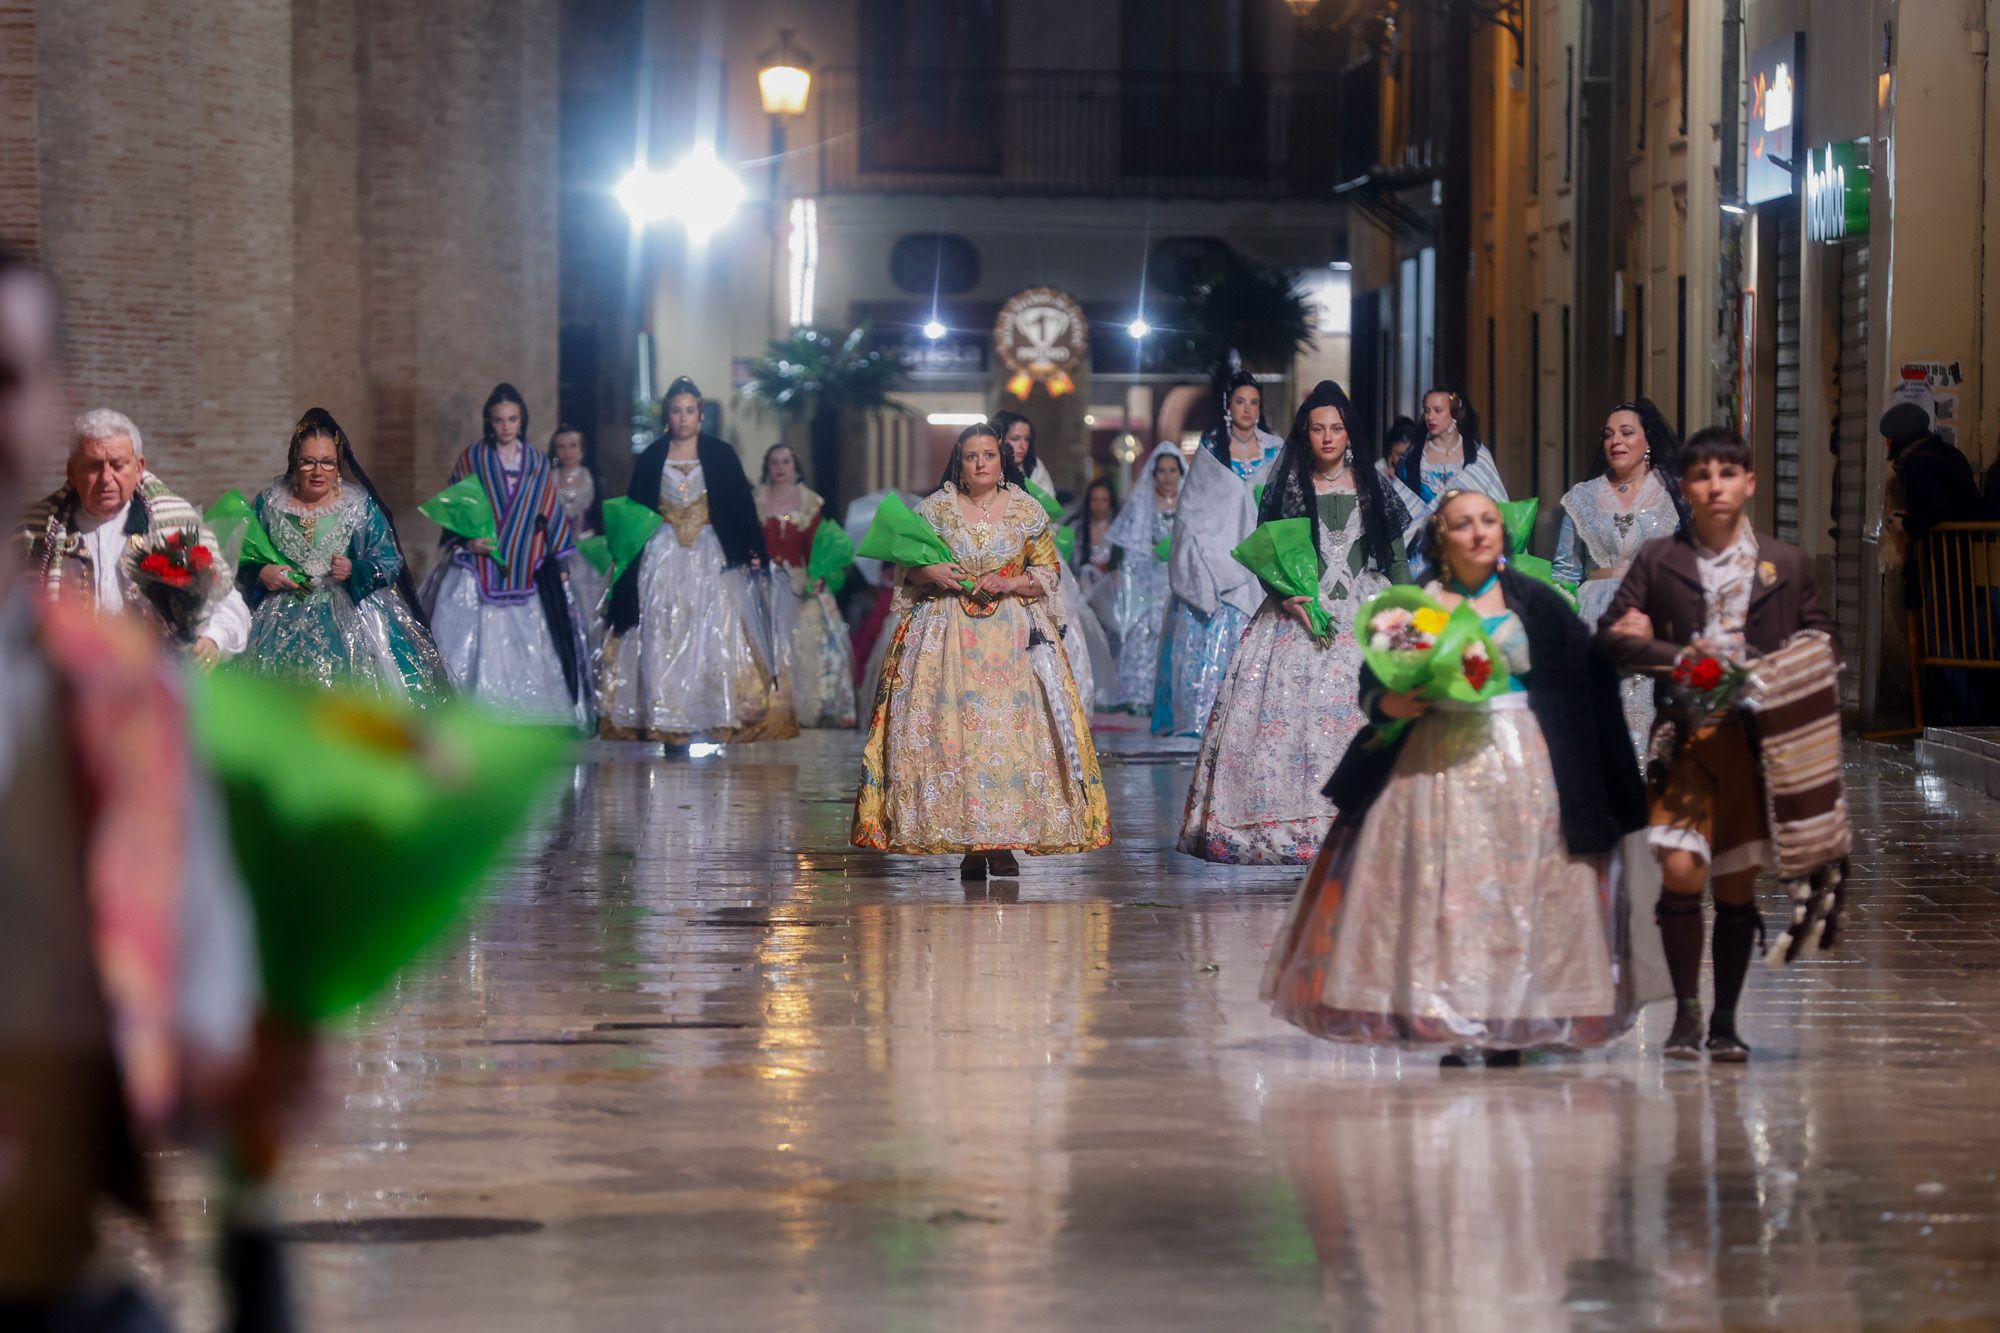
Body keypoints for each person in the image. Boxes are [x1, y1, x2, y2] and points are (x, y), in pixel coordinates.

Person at [0, 246, 289, 1330]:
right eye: (94, 467)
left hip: (49, 1250)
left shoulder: (171, 532)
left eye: (5, 377)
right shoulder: (41, 531)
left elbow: (223, 610)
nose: (106, 480)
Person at [1262, 488, 1648, 1065]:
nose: (1479, 532)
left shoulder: (1537, 602)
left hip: (1521, 759)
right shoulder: (1416, 606)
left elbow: (1584, 681)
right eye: (1464, 523)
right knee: (1446, 888)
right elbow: (1376, 683)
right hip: (1434, 758)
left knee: (1517, 888)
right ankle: (1448, 1015)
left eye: (1489, 521)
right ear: (1443, 536)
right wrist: (1392, 703)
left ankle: (1510, 1017)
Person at [1598, 427, 1838, 1062]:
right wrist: (1676, 655)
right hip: (1683, 739)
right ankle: (1685, 1011)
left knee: (1734, 885)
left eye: (1728, 474)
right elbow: (1612, 635)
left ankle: (1726, 1020)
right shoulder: (1659, 560)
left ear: (1749, 483)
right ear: (1685, 487)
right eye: (1702, 476)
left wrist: (1772, 667)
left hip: (1755, 744)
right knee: (1681, 871)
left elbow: (1822, 639)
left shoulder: (1787, 564)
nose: (1715, 486)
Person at [852, 422, 1111, 878]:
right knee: (956, 735)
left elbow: (1048, 573)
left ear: (1001, 459)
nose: (981, 464)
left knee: (1011, 736)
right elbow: (906, 568)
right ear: (959, 461)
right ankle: (970, 840)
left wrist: (1012, 582)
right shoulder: (935, 510)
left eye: (989, 455)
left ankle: (1003, 840)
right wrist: (931, 572)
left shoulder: (1026, 510)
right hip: (948, 634)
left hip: (1011, 637)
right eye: (971, 456)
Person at [1179, 381, 1410, 864]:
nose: (1327, 438)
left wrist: (1409, 616)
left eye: (1336, 428)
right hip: (1297, 614)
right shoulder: (1288, 486)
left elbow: (1395, 559)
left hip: (1363, 609)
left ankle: (1364, 818)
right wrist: (1286, 599)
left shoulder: (1372, 486)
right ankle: (1284, 826)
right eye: (1318, 429)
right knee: (1285, 719)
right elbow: (1268, 554)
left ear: (1349, 433)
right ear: (1306, 433)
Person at [600, 378, 798, 745]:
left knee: (712, 630)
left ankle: (710, 713)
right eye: (676, 410)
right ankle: (664, 711)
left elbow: (740, 505)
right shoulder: (652, 457)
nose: (683, 418)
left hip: (710, 555)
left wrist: (753, 549)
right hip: (662, 555)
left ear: (700, 414)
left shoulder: (720, 454)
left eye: (689, 410)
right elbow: (634, 512)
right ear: (667, 414)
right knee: (663, 627)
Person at [236, 409, 448, 706]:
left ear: (339, 464)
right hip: (277, 621)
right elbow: (240, 553)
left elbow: (389, 560)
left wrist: (355, 569)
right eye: (308, 461)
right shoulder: (270, 503)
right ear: (295, 461)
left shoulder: (358, 505)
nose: (318, 471)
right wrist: (261, 572)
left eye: (327, 462)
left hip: (348, 620)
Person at [20, 408, 251, 664]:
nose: (106, 478)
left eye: (118, 465)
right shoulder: (33, 532)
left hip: (153, 675)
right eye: (93, 466)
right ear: (72, 473)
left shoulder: (174, 523)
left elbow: (226, 600)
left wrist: (214, 638)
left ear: (139, 468)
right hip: (66, 678)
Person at [420, 383, 588, 724]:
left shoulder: (536, 461)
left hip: (527, 563)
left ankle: (524, 715)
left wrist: (558, 560)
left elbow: (550, 510)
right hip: (477, 564)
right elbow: (456, 508)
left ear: (522, 420)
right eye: (499, 420)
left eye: (512, 419)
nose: (506, 427)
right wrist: (467, 541)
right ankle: (473, 712)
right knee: (470, 641)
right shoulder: (472, 458)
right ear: (489, 421)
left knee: (528, 643)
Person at [1153, 371, 1286, 736]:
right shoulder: (1212, 450)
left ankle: (1252, 717)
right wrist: (1207, 556)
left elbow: (1284, 503)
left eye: (1254, 402)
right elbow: (1194, 510)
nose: (1247, 409)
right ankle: (1205, 716)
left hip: (1262, 559)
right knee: (1211, 644)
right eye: (1240, 402)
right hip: (1217, 558)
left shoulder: (1276, 449)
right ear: (1229, 406)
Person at [1554, 399, 1688, 752]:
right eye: (1609, 434)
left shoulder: (1676, 494)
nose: (1616, 441)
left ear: (1648, 441)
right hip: (1594, 617)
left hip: (1652, 613)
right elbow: (1564, 570)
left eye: (1627, 433)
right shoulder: (1581, 497)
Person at [992, 409, 1111, 714]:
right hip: (998, 555)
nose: (1021, 445)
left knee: (1058, 621)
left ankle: (1063, 702)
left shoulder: (1036, 470)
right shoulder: (989, 469)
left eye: (1026, 439)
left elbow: (1048, 517)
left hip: (1037, 553)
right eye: (1015, 438)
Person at [756, 443, 857, 729]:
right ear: (767, 467)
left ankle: (805, 705)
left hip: (799, 582)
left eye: (786, 461)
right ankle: (767, 705)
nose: (780, 467)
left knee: (806, 641)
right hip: (764, 581)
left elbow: (817, 544)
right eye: (775, 462)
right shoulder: (755, 500)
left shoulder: (811, 502)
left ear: (796, 467)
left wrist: (819, 574)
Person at [1102, 443, 1183, 713]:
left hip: (1179, 579)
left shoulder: (1189, 503)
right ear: (1153, 474)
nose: (1167, 477)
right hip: (1148, 578)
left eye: (1172, 470)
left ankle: (1172, 697)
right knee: (1145, 634)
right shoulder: (1142, 505)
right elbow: (1130, 547)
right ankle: (1140, 694)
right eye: (1162, 471)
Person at [550, 422, 610, 650]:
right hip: (559, 550)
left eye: (573, 445)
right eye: (562, 446)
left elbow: (601, 511)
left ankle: (592, 649)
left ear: (582, 448)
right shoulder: (550, 478)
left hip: (588, 549)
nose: (568, 452)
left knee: (590, 603)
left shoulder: (592, 475)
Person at [1399, 387, 1508, 507]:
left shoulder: (1478, 455)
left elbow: (1499, 504)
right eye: (1427, 411)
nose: (1430, 417)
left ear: (1455, 412)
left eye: (1438, 410)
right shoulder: (1414, 456)